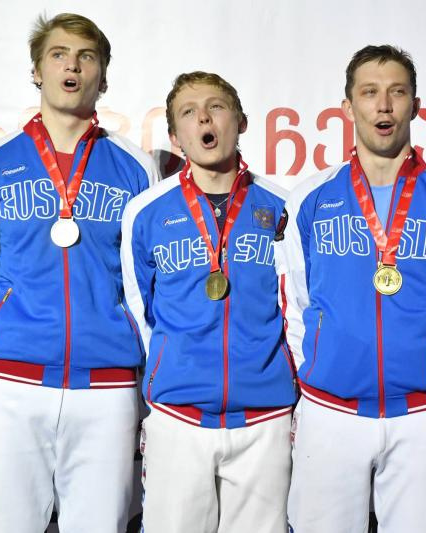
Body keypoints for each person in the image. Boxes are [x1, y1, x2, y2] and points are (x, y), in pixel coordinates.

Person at [275, 44, 426, 533]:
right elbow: (294, 304)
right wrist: (323, 371)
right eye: (369, 93)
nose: (383, 106)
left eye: (397, 93)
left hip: (423, 416)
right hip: (331, 413)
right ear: (348, 107)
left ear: (416, 105)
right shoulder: (308, 199)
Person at [0, 13, 158, 532]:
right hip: (10, 383)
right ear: (37, 71)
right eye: (58, 55)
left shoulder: (136, 168)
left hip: (106, 387)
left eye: (86, 57)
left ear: (103, 77)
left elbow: (146, 282)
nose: (71, 66)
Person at [121, 71, 296, 533]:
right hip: (179, 419)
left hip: (265, 419)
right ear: (175, 137)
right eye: (188, 112)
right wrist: (173, 368)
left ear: (241, 122)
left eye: (216, 107)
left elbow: (295, 305)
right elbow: (141, 309)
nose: (204, 118)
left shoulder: (284, 207)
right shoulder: (145, 212)